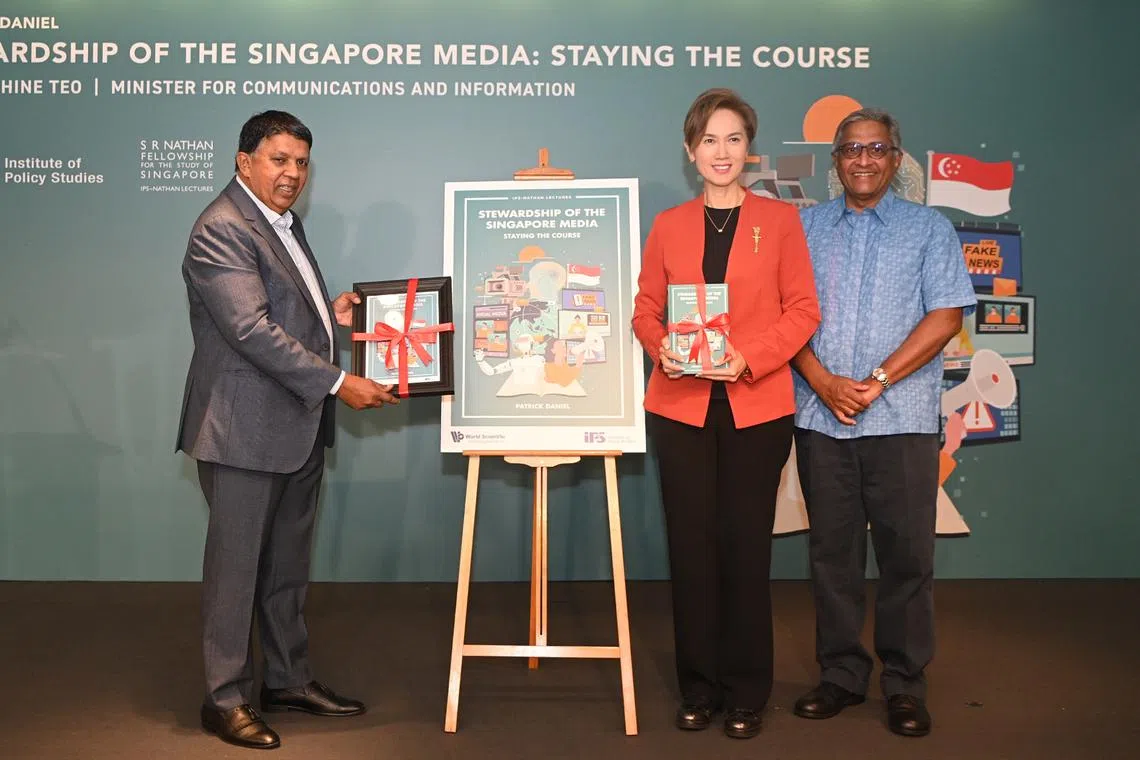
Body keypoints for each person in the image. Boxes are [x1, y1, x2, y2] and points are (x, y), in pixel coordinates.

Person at [177, 110, 399, 750]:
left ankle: (287, 680)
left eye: (300, 162)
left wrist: (329, 317)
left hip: (294, 426)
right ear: (244, 161)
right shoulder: (221, 227)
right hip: (243, 430)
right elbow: (249, 330)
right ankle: (223, 700)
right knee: (236, 572)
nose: (292, 173)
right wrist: (338, 380)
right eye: (279, 159)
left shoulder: (284, 224)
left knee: (285, 571)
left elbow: (275, 311)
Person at [632, 88, 821, 739]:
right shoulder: (668, 225)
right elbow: (644, 311)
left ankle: (746, 693)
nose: (721, 151)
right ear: (691, 151)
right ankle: (699, 688)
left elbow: (803, 312)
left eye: (733, 139)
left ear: (750, 149)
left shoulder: (781, 221)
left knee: (744, 550)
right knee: (691, 550)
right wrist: (668, 351)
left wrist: (747, 359)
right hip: (680, 408)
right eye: (709, 140)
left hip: (755, 408)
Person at [790, 108, 976, 737]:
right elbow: (784, 316)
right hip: (820, 418)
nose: (862, 159)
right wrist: (822, 381)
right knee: (832, 557)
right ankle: (841, 675)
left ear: (897, 160)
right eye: (850, 149)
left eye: (876, 149)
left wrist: (876, 383)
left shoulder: (929, 229)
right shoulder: (805, 228)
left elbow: (947, 315)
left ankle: (903, 684)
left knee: (906, 557)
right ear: (834, 160)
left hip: (901, 420)